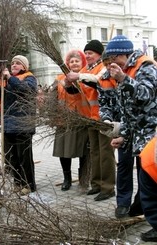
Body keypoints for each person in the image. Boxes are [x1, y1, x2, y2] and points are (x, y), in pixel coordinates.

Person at [104, 35, 157, 241]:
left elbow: (145, 95)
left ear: (122, 55)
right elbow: (129, 113)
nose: (110, 64)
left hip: (152, 135)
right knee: (148, 184)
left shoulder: (146, 68)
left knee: (150, 183)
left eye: (112, 58)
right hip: (138, 135)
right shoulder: (125, 71)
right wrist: (124, 136)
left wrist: (123, 80)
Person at [65, 40, 116, 201]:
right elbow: (78, 90)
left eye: (90, 53)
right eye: (86, 53)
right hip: (90, 117)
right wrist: (68, 85)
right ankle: (96, 184)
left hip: (105, 117)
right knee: (94, 152)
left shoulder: (103, 68)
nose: (87, 56)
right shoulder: (86, 69)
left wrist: (78, 76)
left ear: (99, 54)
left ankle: (108, 188)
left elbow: (96, 81)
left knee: (105, 152)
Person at [0, 55, 38, 195]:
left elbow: (27, 90)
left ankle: (29, 184)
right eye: (12, 63)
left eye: (17, 64)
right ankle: (18, 183)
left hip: (23, 124)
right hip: (8, 125)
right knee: (12, 158)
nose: (14, 65)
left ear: (24, 67)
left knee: (24, 157)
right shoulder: (5, 81)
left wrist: (10, 78)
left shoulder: (29, 78)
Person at [99, 52, 143, 218]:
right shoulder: (104, 79)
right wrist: (107, 120)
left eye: (113, 61)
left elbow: (139, 106)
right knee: (124, 164)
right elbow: (104, 103)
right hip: (119, 127)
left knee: (143, 167)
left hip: (137, 128)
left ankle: (141, 203)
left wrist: (125, 132)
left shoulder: (135, 74)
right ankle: (123, 203)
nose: (110, 66)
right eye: (107, 63)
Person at [51, 49, 90, 191]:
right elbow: (53, 98)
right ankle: (66, 178)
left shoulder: (85, 77)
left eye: (77, 61)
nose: (74, 63)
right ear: (67, 64)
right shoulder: (59, 78)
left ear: (82, 63)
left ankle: (84, 179)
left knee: (84, 152)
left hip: (82, 119)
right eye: (71, 61)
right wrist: (52, 116)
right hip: (64, 120)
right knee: (64, 151)